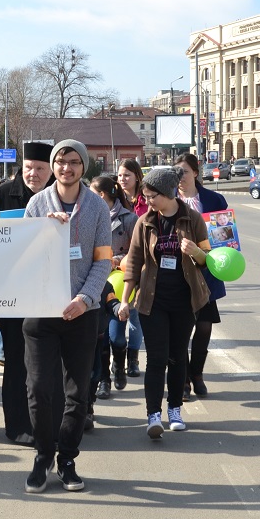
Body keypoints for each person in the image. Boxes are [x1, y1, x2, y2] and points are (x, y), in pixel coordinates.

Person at [22, 140, 112, 494]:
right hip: (42, 313)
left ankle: (68, 458)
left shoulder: (97, 208)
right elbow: (23, 255)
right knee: (40, 389)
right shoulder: (37, 204)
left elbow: (103, 259)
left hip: (81, 313)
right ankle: (43, 455)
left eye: (74, 162)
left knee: (78, 393)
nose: (66, 168)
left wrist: (85, 297)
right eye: (60, 162)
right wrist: (44, 231)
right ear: (53, 165)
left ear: (83, 167)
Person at [119, 166, 211, 439]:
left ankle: (174, 409)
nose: (147, 201)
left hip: (185, 300)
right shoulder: (145, 222)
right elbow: (133, 263)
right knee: (157, 358)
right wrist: (125, 299)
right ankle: (152, 415)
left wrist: (195, 251)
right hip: (152, 301)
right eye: (145, 196)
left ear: (169, 193)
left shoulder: (193, 219)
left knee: (177, 356)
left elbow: (208, 260)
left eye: (151, 196)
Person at [0, 141, 57, 446]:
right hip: (13, 292)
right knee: (16, 360)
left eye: (40, 169)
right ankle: (18, 424)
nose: (33, 174)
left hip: (51, 291)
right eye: (29, 168)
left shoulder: (60, 195)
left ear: (50, 170)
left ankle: (53, 421)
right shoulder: (2, 194)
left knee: (50, 362)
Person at [175, 153, 228, 396]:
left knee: (204, 327)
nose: (180, 178)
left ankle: (197, 373)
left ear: (196, 172)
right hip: (177, 274)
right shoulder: (169, 201)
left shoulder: (214, 200)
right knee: (180, 330)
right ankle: (183, 379)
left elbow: (226, 237)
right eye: (176, 173)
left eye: (184, 172)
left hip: (207, 272)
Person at [89, 175, 138, 398]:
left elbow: (138, 252)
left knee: (117, 336)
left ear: (101, 195)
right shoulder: (87, 216)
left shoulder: (129, 219)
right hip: (95, 281)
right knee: (101, 337)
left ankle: (120, 363)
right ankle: (104, 381)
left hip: (120, 282)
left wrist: (117, 260)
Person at [113, 158, 147, 377]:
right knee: (118, 313)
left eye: (127, 175)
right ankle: (118, 356)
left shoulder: (146, 201)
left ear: (137, 177)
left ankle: (133, 358)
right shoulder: (114, 200)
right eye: (119, 175)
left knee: (136, 314)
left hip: (141, 263)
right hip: (116, 267)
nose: (122, 179)